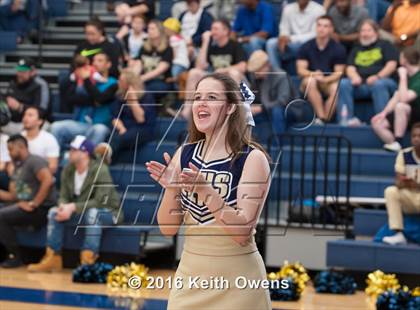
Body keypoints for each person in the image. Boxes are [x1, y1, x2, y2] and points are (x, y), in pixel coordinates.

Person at [146, 73, 272, 309]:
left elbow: (241, 232)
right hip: (190, 277)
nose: (201, 103)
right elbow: (167, 228)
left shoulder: (252, 158)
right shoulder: (184, 153)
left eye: (211, 97)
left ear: (231, 108)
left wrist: (205, 190)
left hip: (239, 282)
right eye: (197, 97)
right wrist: (172, 190)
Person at [27, 135, 122, 272]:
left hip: (108, 212)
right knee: (54, 212)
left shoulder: (100, 170)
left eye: (74, 150)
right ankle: (53, 257)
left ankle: (88, 261)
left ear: (85, 153)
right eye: (70, 149)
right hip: (81, 211)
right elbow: (63, 196)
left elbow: (101, 201)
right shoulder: (68, 170)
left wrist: (72, 207)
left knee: (93, 213)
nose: (70, 153)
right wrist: (63, 206)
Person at [0, 135, 56, 268]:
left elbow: (48, 180)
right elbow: (14, 196)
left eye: (11, 149)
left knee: (0, 216)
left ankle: (14, 256)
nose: (9, 153)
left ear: (21, 147)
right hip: (24, 206)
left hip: (41, 208)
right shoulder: (18, 167)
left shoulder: (34, 161)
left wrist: (35, 203)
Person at [337, 19, 399, 125]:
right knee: (343, 83)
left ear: (376, 32)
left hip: (384, 82)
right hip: (362, 84)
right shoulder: (356, 48)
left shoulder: (385, 44)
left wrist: (377, 77)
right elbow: (349, 67)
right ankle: (346, 120)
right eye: (362, 31)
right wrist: (355, 77)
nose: (365, 34)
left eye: (368, 30)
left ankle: (382, 121)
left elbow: (392, 65)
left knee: (378, 85)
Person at [182, 19, 247, 119]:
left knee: (234, 72)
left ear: (225, 31)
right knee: (194, 72)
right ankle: (188, 108)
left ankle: (238, 108)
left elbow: (242, 66)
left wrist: (224, 70)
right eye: (212, 29)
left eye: (215, 29)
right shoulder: (211, 46)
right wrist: (205, 42)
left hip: (233, 79)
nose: (212, 32)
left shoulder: (235, 45)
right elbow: (200, 66)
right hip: (216, 78)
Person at [52, 52, 118, 150]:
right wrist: (93, 101)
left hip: (101, 125)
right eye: (94, 61)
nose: (95, 63)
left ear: (108, 64)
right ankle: (56, 160)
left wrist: (87, 80)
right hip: (81, 124)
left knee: (99, 130)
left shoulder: (113, 83)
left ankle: (89, 163)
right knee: (56, 127)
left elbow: (101, 98)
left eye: (100, 61)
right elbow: (69, 99)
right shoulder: (83, 81)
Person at [296, 15, 346, 123]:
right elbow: (300, 70)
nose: (321, 28)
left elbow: (339, 73)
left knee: (336, 87)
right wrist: (313, 74)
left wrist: (325, 80)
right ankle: (321, 117)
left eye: (325, 26)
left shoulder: (338, 48)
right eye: (319, 25)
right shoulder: (306, 46)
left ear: (331, 29)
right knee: (310, 81)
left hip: (328, 81)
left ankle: (325, 120)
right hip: (311, 80)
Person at [372, 47, 420, 152]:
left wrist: (402, 77)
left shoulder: (417, 76)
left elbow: (403, 99)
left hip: (417, 112)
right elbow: (397, 95)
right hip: (406, 113)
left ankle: (399, 140)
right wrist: (383, 113)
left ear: (404, 59)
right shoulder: (408, 75)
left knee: (401, 106)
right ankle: (394, 144)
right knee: (377, 122)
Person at [383, 123, 420, 245]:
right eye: (414, 136)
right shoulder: (404, 154)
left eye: (419, 136)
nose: (416, 139)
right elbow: (398, 181)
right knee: (391, 191)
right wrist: (403, 182)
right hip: (410, 196)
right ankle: (398, 234)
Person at [109, 69, 156, 163]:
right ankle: (107, 161)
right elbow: (115, 117)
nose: (118, 82)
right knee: (109, 137)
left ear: (129, 83)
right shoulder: (119, 95)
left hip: (142, 129)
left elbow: (141, 119)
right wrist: (121, 128)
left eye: (121, 80)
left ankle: (105, 162)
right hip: (124, 127)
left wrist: (132, 100)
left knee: (119, 139)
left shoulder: (146, 96)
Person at [265, 0, 325, 72]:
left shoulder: (319, 10)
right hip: (289, 43)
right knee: (270, 43)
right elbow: (284, 28)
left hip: (309, 44)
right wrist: (283, 37)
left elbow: (315, 34)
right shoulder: (288, 8)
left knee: (297, 47)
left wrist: (291, 38)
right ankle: (277, 73)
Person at [247, 50, 295, 134]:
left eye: (258, 70)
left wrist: (261, 108)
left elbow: (283, 101)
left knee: (277, 111)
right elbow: (254, 97)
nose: (256, 74)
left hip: (288, 110)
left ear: (267, 65)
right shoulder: (256, 77)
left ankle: (277, 144)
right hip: (267, 110)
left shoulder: (281, 76)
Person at [2, 58, 50, 135]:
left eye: (23, 71)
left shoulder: (40, 85)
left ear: (33, 72)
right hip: (11, 123)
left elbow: (42, 111)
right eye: (18, 70)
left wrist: (20, 107)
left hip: (32, 124)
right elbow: (5, 100)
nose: (19, 74)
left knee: (44, 125)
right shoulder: (13, 82)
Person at [135, 20, 173, 94]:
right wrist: (133, 78)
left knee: (144, 90)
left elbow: (159, 71)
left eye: (153, 29)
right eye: (149, 28)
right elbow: (138, 64)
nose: (149, 31)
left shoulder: (167, 49)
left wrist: (141, 79)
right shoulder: (144, 47)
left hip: (161, 81)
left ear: (160, 31)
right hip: (144, 79)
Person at [21, 107, 60, 174]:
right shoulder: (19, 137)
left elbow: (53, 167)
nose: (25, 118)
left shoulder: (49, 139)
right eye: (24, 115)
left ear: (40, 121)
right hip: (21, 177)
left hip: (42, 178)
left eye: (30, 115)